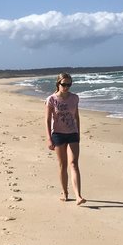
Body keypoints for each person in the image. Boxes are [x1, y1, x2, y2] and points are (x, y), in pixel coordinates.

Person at [45, 72, 85, 205]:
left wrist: (78, 132)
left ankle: (78, 196)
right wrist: (49, 138)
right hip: (58, 134)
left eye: (69, 84)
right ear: (58, 84)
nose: (66, 87)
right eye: (64, 84)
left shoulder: (75, 98)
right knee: (62, 165)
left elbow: (77, 116)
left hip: (73, 133)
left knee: (73, 163)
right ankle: (65, 192)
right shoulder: (51, 99)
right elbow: (47, 120)